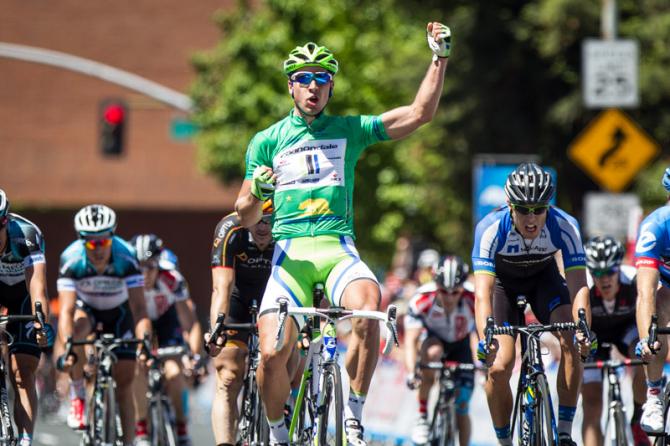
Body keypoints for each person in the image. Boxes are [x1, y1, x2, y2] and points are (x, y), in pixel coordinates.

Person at [234, 21, 451, 446]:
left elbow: (418, 114)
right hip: (291, 255)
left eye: (322, 79)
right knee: (272, 354)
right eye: (303, 79)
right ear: (291, 88)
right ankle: (278, 433)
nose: (313, 86)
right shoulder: (267, 141)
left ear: (330, 88)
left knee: (369, 312)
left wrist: (439, 58)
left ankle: (352, 415)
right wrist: (258, 192)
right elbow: (243, 215)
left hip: (337, 248)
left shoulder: (349, 129)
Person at [472, 162, 594, 446]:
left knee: (571, 341)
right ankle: (504, 440)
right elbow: (482, 293)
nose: (531, 218)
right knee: (500, 367)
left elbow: (579, 286)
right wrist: (484, 338)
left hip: (544, 280)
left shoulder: (565, 225)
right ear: (509, 206)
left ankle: (564, 431)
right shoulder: (490, 228)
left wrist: (583, 329)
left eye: (539, 209)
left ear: (548, 208)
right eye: (523, 209)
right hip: (503, 286)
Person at [56, 204, 151, 446]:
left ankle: (128, 441)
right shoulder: (71, 259)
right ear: (81, 241)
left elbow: (139, 308)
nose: (98, 249)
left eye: (103, 242)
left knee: (125, 383)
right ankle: (78, 394)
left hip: (120, 314)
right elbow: (66, 311)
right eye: (91, 243)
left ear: (112, 238)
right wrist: (68, 347)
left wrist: (145, 343)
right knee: (75, 333)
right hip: (87, 310)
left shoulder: (126, 256)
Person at [204, 201, 274, 446]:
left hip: (276, 298)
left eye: (270, 219)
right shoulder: (230, 228)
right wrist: (217, 329)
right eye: (258, 219)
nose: (264, 227)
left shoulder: (290, 227)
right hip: (238, 297)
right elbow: (221, 287)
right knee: (228, 376)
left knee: (288, 365)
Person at [130, 234, 203, 446]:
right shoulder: (126, 280)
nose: (144, 274)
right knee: (137, 367)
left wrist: (194, 356)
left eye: (150, 267)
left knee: (174, 372)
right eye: (139, 267)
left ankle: (181, 427)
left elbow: (191, 323)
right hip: (136, 322)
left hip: (165, 324)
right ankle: (141, 427)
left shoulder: (171, 280)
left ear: (159, 265)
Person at [581, 236, 649, 446]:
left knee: (643, 356)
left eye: (610, 271)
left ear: (619, 268)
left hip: (626, 331)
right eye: (598, 273)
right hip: (595, 335)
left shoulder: (634, 281)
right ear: (591, 272)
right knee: (592, 403)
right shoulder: (584, 288)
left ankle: (638, 416)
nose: (605, 279)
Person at [404, 255, 476, 446]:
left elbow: (481, 336)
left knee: (462, 405)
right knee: (433, 352)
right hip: (434, 340)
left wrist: (484, 366)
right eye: (444, 291)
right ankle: (422, 416)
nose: (450, 297)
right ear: (436, 285)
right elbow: (410, 340)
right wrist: (412, 372)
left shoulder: (474, 298)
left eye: (456, 292)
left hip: (461, 345)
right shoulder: (422, 298)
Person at [0, 189, 52, 446]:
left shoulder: (27, 235)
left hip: (23, 295)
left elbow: (38, 289)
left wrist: (40, 321)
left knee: (22, 371)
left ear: (5, 223)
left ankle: (25, 440)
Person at [632, 166, 670, 434]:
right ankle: (654, 394)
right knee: (658, 305)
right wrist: (647, 338)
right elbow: (644, 292)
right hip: (667, 289)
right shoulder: (655, 226)